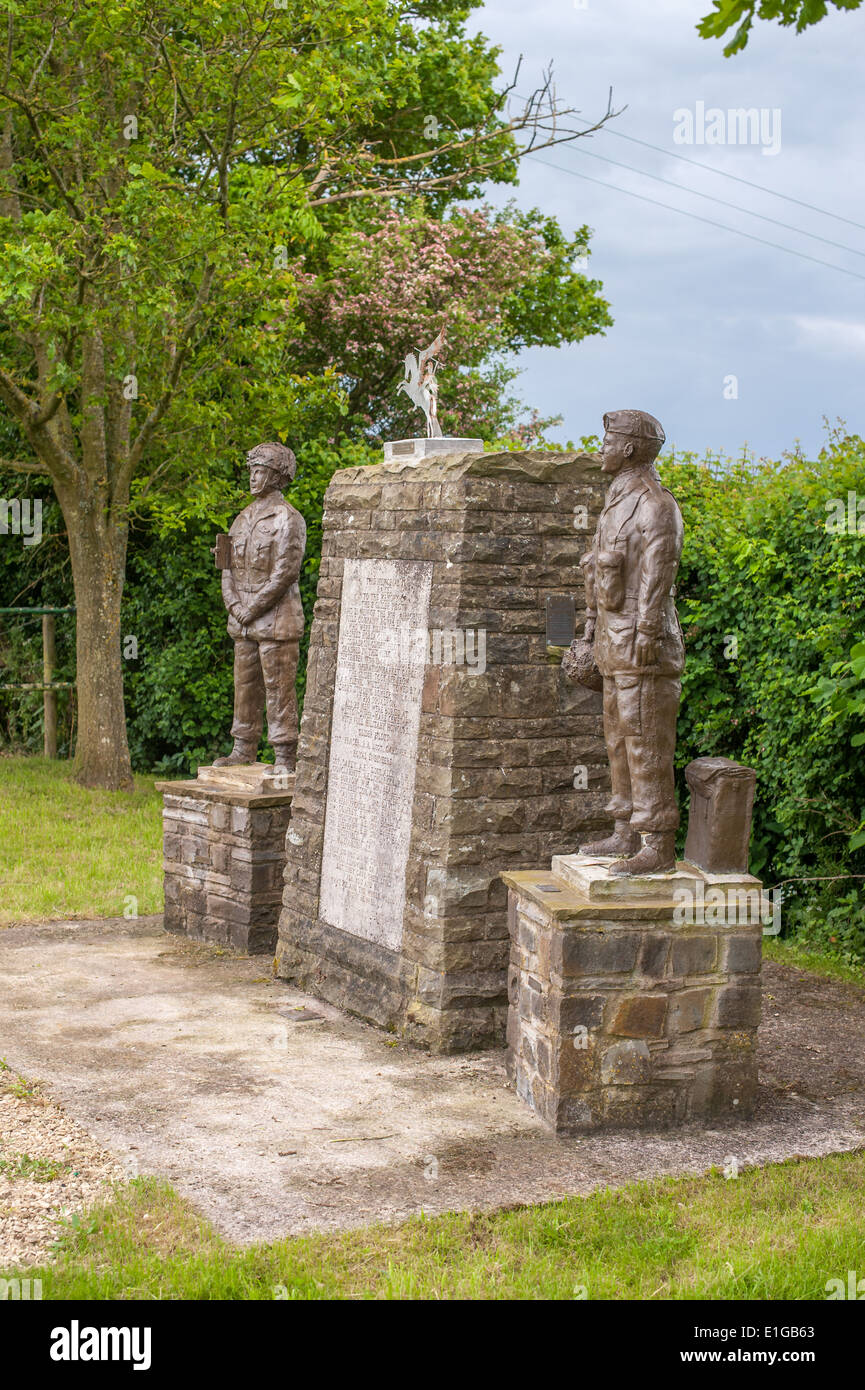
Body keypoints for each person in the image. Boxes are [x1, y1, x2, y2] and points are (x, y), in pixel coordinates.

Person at [576, 410, 685, 875]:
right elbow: (600, 566)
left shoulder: (655, 503)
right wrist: (587, 627)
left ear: (629, 448)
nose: (601, 446)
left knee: (646, 739)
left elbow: (659, 571)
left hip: (643, 643)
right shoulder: (617, 499)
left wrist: (646, 632)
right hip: (612, 638)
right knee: (618, 738)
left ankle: (656, 843)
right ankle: (625, 830)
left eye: (608, 439)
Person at [214, 441, 306, 774]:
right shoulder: (241, 519)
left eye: (260, 472)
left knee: (278, 686)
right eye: (251, 471)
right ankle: (243, 747)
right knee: (244, 685)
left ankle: (284, 754)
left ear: (277, 477)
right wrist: (234, 604)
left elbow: (286, 572)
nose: (253, 478)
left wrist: (251, 607)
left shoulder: (288, 518)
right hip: (243, 619)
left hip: (276, 620)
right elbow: (225, 564)